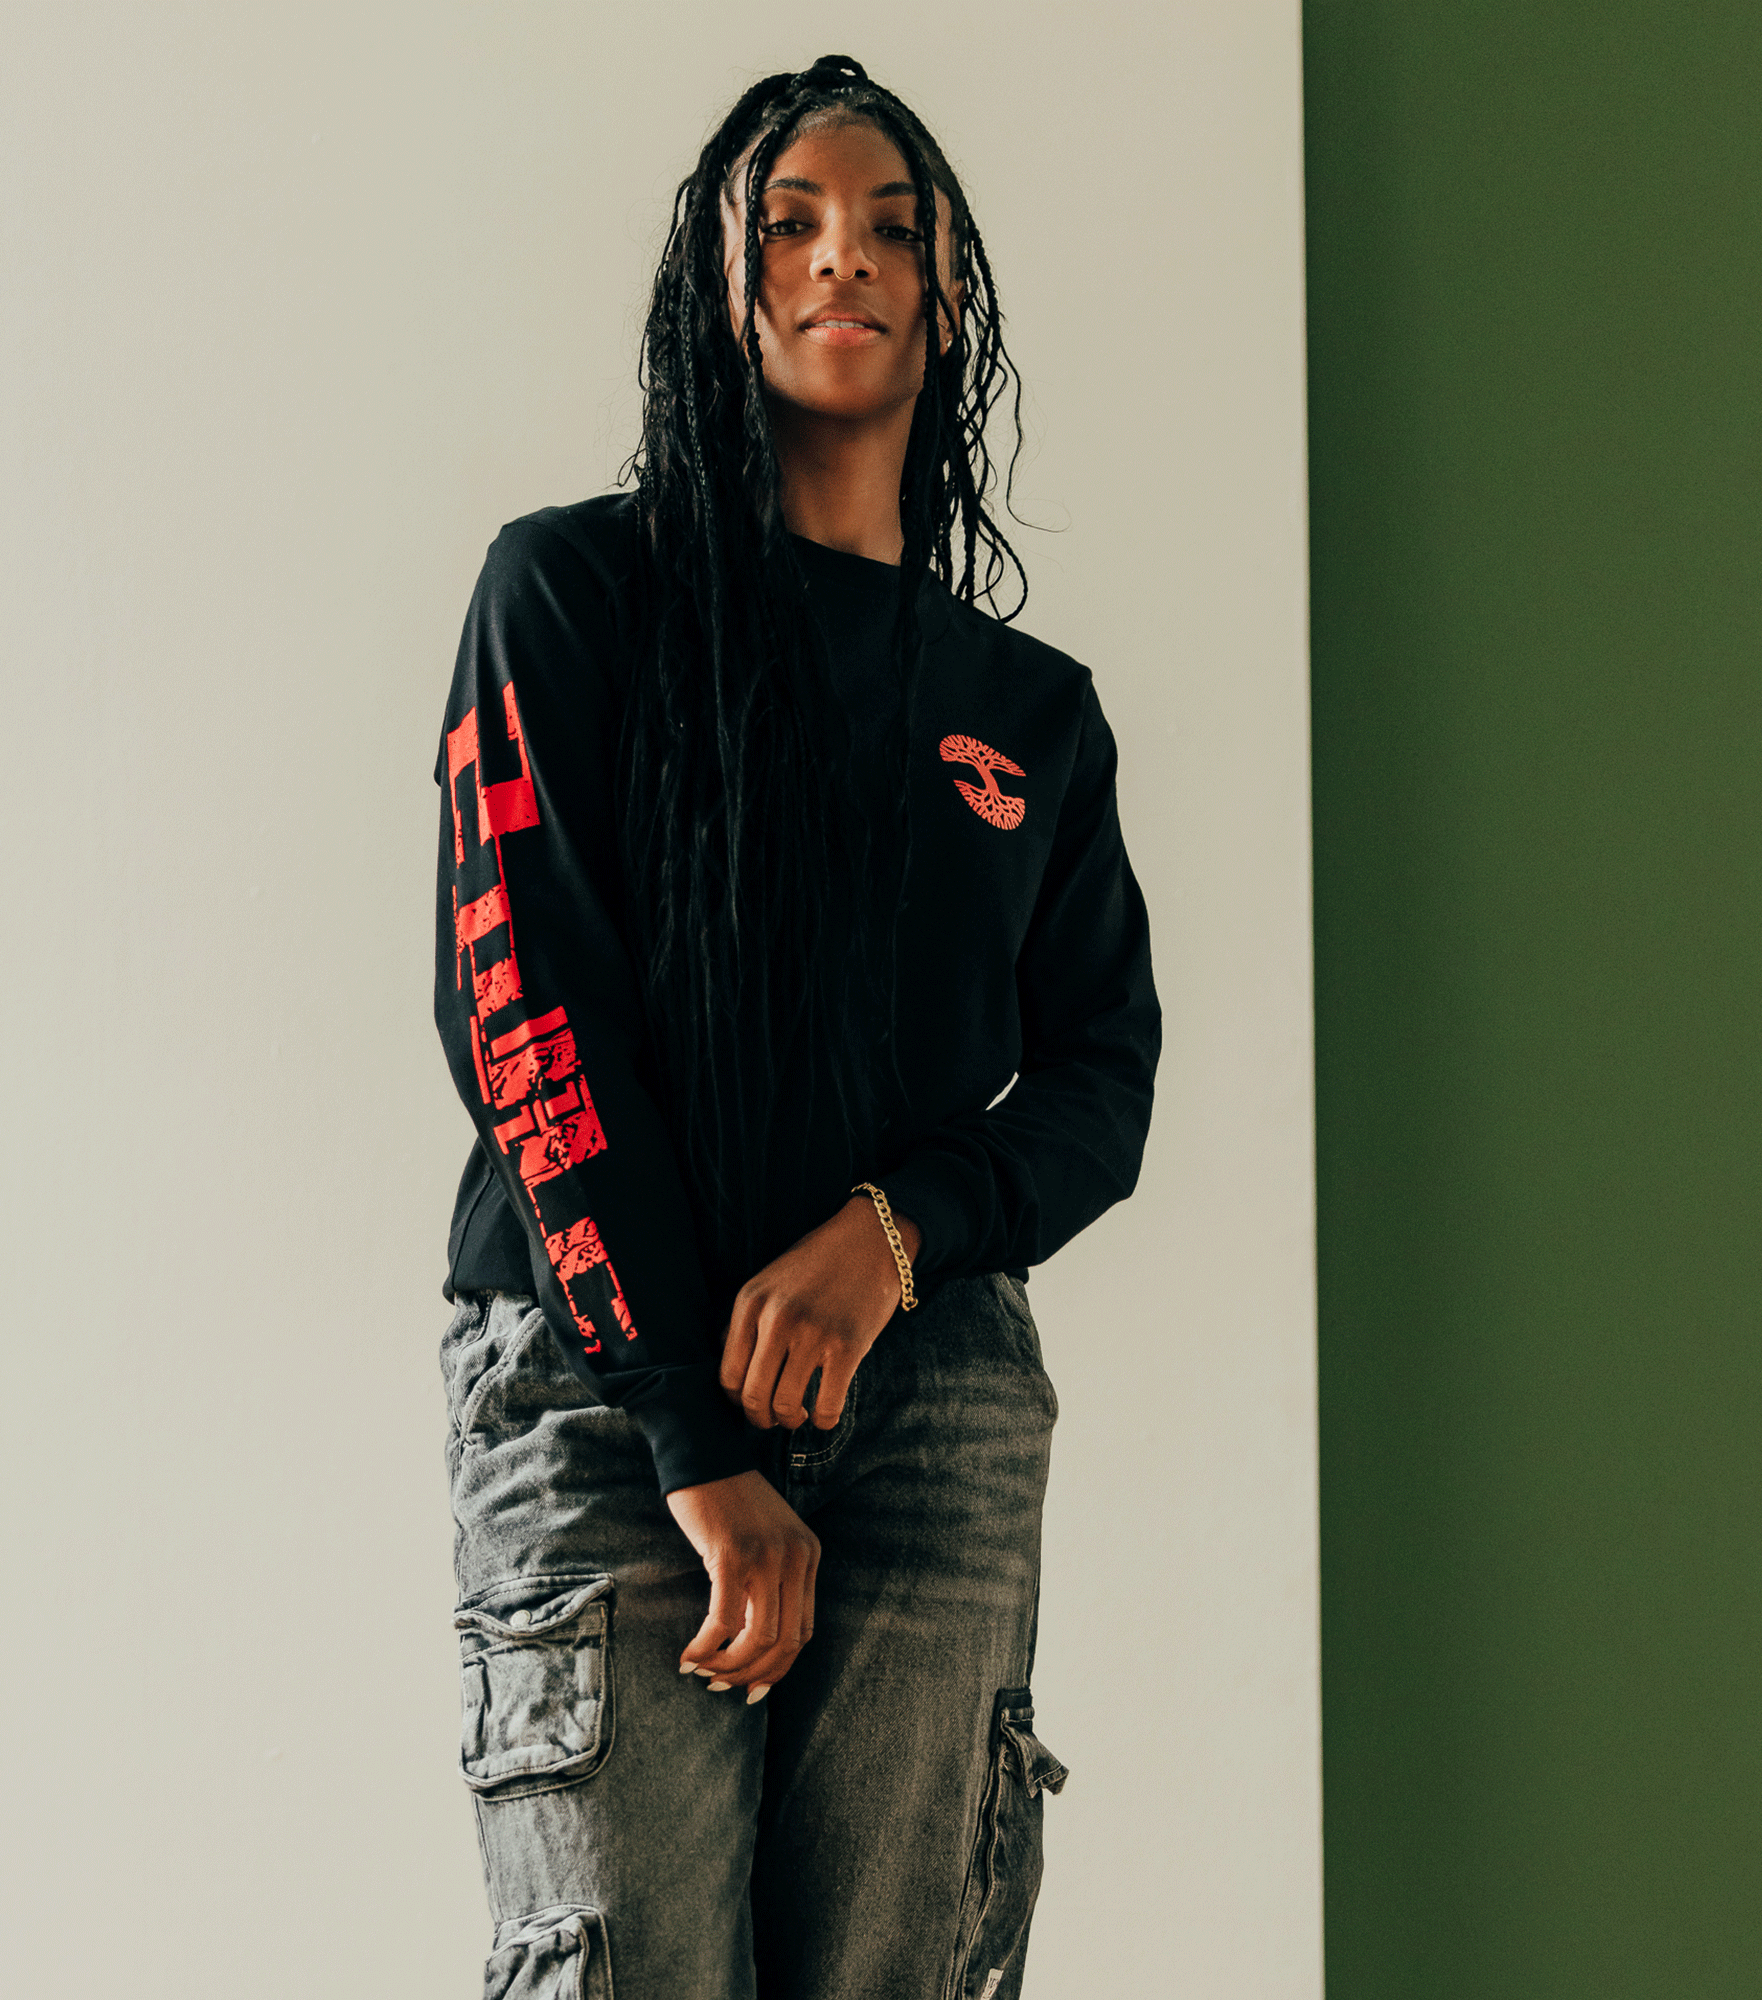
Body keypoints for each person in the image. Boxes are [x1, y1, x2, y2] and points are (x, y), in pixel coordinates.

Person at [433, 53, 1159, 2000]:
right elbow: (524, 1015)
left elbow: (1102, 1078)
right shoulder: (574, 594)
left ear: (947, 299)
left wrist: (898, 1226)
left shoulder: (1026, 712)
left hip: (928, 1408)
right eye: (791, 221)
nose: (846, 255)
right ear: (718, 285)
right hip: (602, 1392)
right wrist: (688, 1421)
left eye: (893, 224)